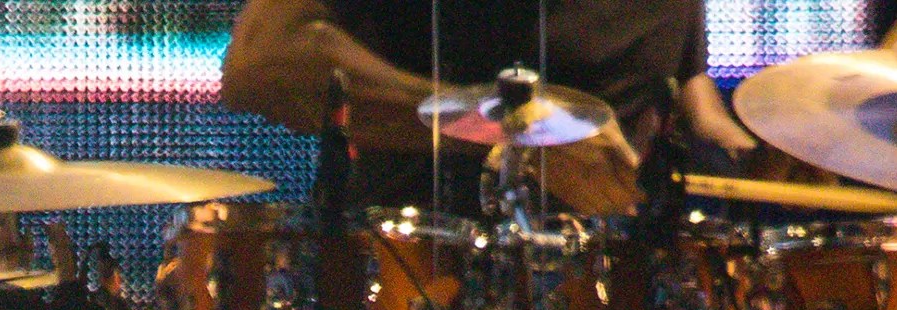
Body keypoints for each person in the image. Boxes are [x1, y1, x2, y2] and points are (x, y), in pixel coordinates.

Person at [223, 0, 761, 217]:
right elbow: (263, 61)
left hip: (624, 298)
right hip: (425, 289)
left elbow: (683, 78)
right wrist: (514, 134)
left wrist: (752, 151)